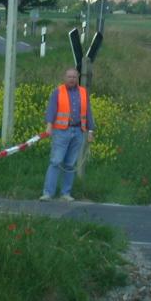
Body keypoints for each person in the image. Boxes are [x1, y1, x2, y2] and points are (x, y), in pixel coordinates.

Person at [40, 67, 95, 201]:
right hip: (61, 131)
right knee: (56, 161)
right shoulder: (58, 92)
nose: (72, 79)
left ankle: (66, 193)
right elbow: (51, 109)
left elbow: (88, 112)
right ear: (65, 78)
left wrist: (90, 131)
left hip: (78, 131)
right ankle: (48, 193)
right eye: (69, 77)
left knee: (70, 164)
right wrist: (49, 126)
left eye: (74, 77)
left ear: (78, 78)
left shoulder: (83, 92)